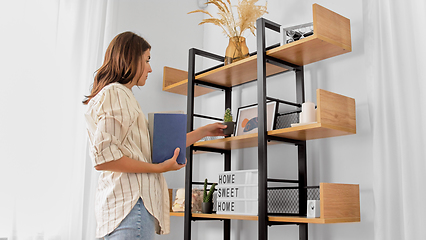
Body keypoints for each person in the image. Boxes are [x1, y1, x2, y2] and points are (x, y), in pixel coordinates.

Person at [83, 31, 226, 239]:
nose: (150, 68)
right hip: (132, 206)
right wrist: (158, 168)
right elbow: (104, 158)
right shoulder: (117, 93)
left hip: (123, 207)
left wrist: (203, 131)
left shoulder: (119, 95)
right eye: (147, 60)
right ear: (131, 59)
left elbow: (156, 147)